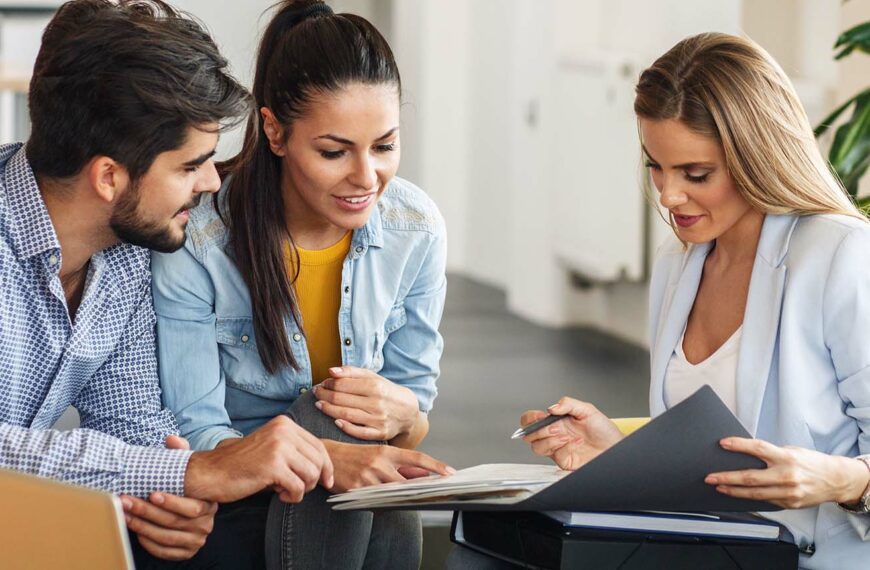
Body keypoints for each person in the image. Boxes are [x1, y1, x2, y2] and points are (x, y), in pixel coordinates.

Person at [0, 0, 333, 566]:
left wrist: (168, 497)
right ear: (108, 176)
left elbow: (132, 424)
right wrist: (191, 470)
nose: (209, 181)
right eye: (189, 166)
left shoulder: (125, 254)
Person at [521, 33, 870, 569]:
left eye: (695, 174)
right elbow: (712, 451)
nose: (667, 195)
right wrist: (617, 450)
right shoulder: (679, 260)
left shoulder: (840, 255)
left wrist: (844, 479)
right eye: (654, 166)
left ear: (758, 157)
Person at [151, 1, 452, 567]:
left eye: (384, 146)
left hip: (352, 505)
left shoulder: (417, 229)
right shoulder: (201, 240)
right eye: (334, 152)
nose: (367, 178)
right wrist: (331, 454)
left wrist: (404, 414)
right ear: (275, 131)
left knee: (358, 416)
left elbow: (411, 425)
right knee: (329, 414)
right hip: (242, 492)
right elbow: (197, 431)